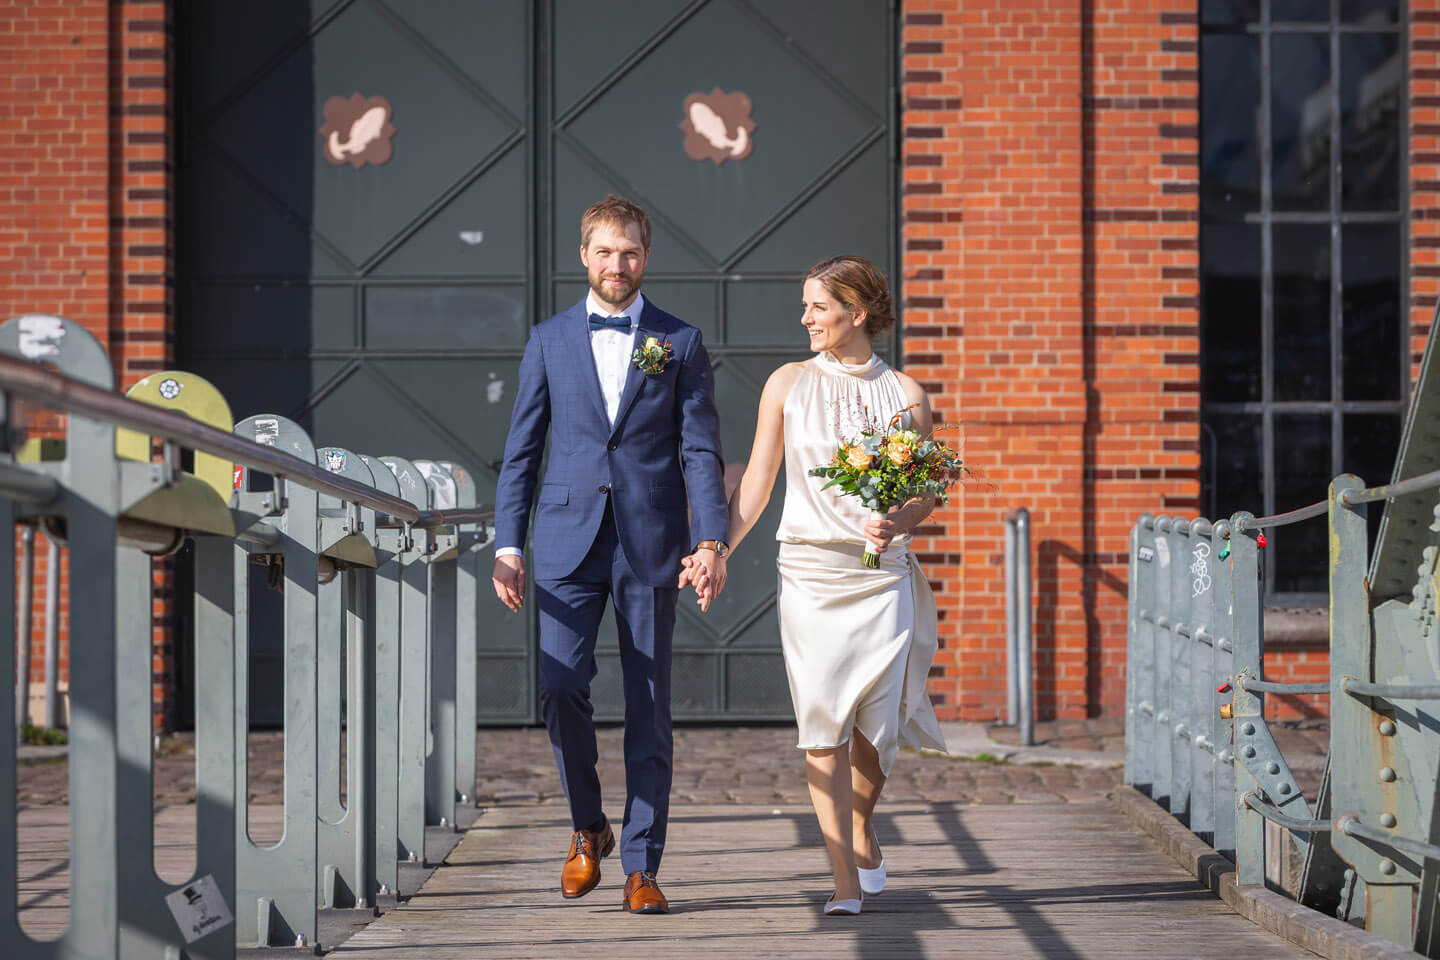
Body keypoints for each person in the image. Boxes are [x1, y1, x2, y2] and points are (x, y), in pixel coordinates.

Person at [491, 195, 730, 914]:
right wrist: (508, 544)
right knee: (560, 690)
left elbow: (700, 449)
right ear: (584, 256)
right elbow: (521, 452)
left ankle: (642, 865)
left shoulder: (678, 342)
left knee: (649, 704)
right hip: (565, 542)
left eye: (629, 252)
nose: (617, 264)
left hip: (651, 542)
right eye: (604, 251)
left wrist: (711, 540)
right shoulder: (549, 339)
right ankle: (587, 826)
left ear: (644, 257)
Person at [695, 255, 946, 916]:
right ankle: (841, 879)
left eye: (817, 306)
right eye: (804, 305)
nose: (804, 317)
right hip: (809, 572)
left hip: (880, 576)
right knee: (822, 723)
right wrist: (717, 547)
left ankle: (861, 822)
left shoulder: (910, 398)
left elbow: (927, 494)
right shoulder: (787, 384)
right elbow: (756, 484)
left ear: (856, 313)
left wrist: (899, 519)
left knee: (879, 727)